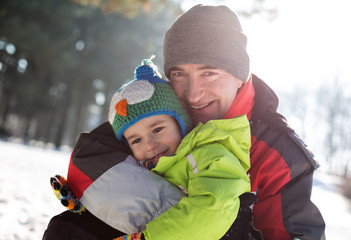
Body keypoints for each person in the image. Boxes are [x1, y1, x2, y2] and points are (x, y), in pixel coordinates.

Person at [44, 4, 326, 240]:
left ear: (240, 74)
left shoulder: (279, 153)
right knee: (67, 229)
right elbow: (90, 155)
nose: (193, 94)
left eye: (210, 73)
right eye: (179, 74)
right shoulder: (158, 109)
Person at [44, 58, 252, 240]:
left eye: (158, 129)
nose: (149, 145)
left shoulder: (211, 154)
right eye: (136, 141)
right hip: (152, 230)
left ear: (181, 122)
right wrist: (88, 205)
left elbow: (213, 210)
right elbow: (133, 202)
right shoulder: (143, 166)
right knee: (63, 228)